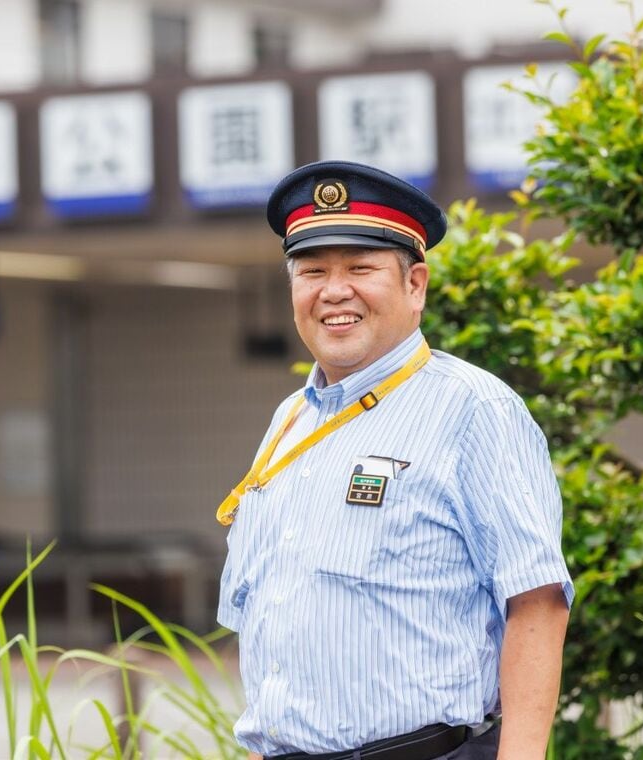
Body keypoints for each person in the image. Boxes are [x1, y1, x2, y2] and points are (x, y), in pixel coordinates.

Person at [216, 160, 573, 759]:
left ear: (415, 285)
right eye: (312, 271)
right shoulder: (288, 423)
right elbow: (272, 624)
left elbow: (536, 601)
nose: (334, 291)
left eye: (361, 268)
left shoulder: (474, 409)